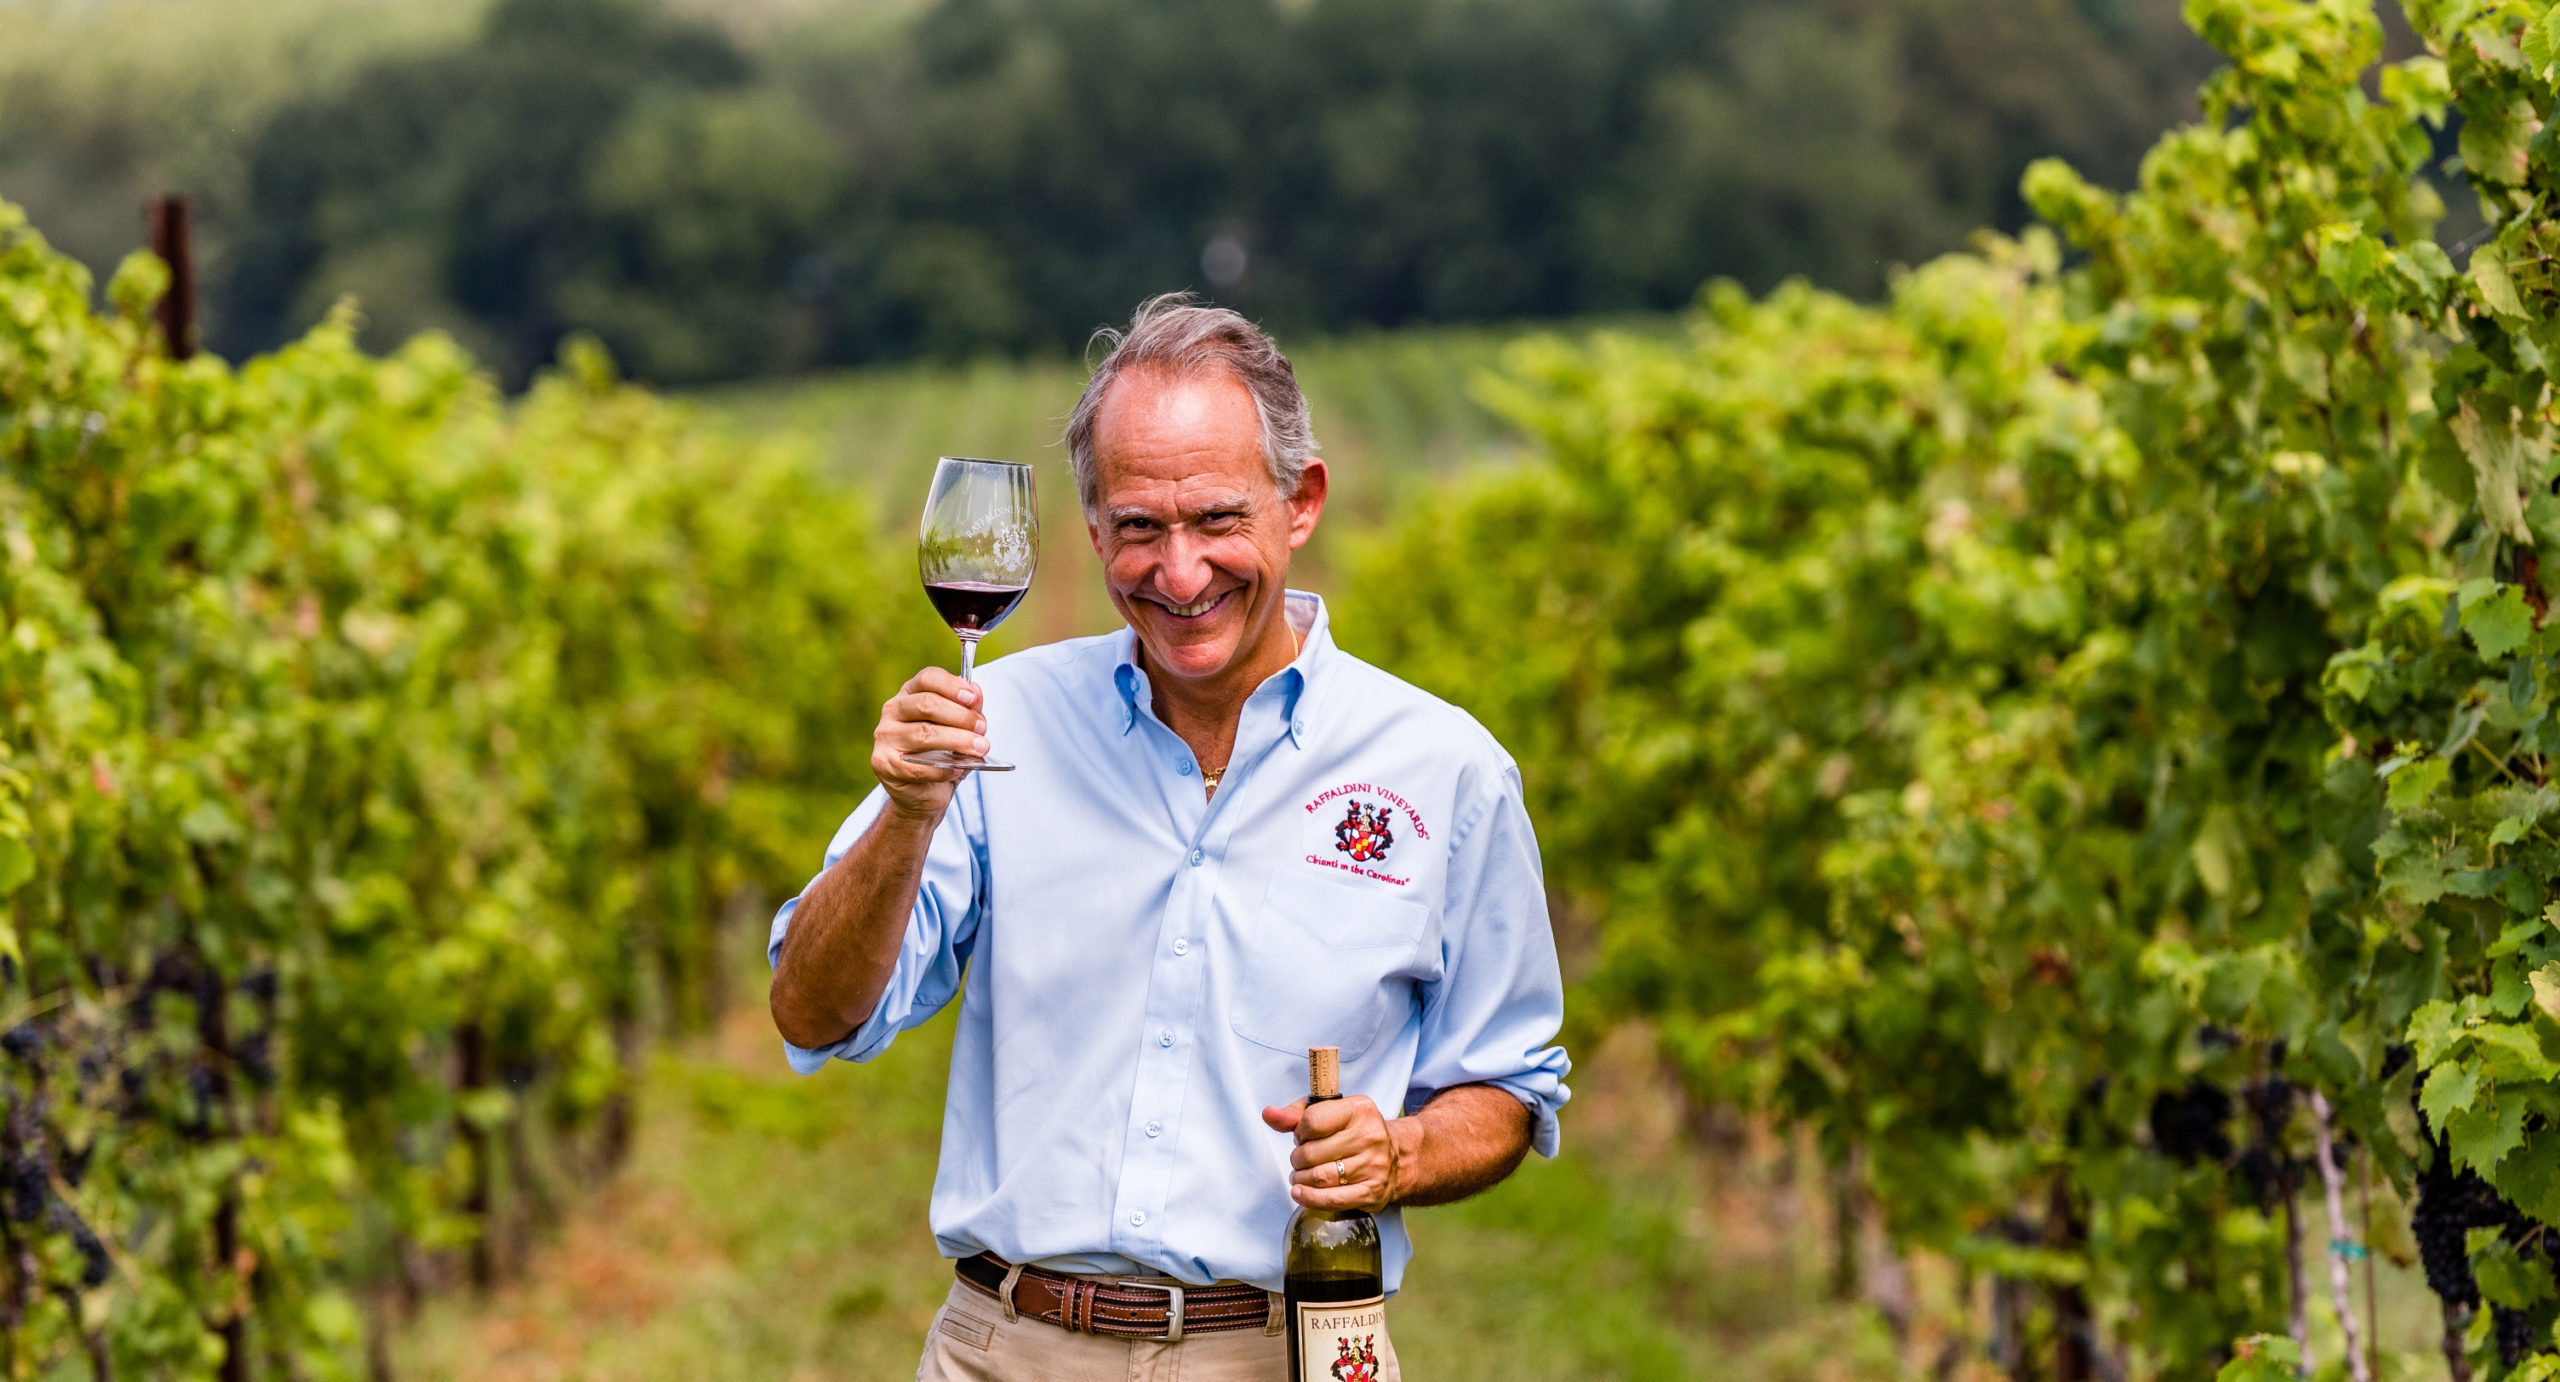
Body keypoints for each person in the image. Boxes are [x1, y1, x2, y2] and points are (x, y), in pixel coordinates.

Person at [767, 294, 1570, 1382]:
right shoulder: (998, 732)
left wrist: (1405, 1150)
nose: (1179, 573)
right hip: (1008, 1349)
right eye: (1140, 526)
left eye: (1217, 520)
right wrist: (907, 817)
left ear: (1303, 502)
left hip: (1287, 1352)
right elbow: (813, 1012)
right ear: (1093, 528)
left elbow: (1510, 1085)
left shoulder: (1445, 767)